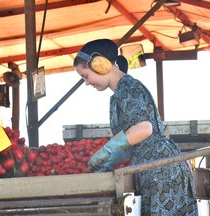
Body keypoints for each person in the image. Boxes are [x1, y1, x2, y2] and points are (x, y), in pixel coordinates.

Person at [73, 38, 199, 215]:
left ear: (100, 64)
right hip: (151, 169)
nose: (87, 83)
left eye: (85, 76)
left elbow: (144, 129)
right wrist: (109, 162)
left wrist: (107, 149)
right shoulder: (120, 93)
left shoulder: (128, 87)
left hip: (161, 170)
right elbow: (133, 140)